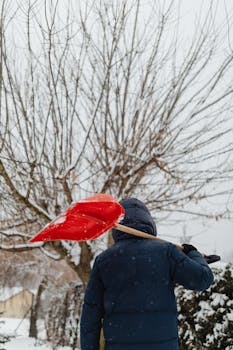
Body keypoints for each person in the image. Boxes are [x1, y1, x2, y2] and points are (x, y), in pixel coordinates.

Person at [80, 198, 214, 350]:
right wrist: (193, 253)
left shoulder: (104, 261)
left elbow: (90, 315)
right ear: (149, 223)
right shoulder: (167, 252)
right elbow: (203, 279)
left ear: (117, 226)